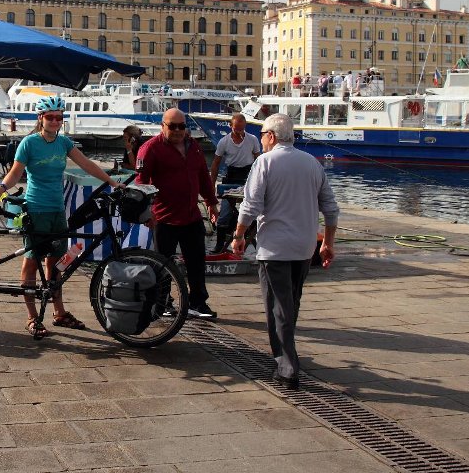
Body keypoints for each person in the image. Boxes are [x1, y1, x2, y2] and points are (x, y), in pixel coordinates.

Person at [0, 96, 118, 338]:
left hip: (58, 211)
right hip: (36, 210)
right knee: (32, 260)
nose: (55, 121)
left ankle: (59, 313)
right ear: (41, 119)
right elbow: (16, 173)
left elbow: (87, 164)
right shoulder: (29, 143)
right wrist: (1, 189)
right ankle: (32, 317)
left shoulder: (64, 143)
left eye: (59, 117)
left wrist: (111, 182)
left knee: (57, 262)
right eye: (51, 117)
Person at [232, 113, 338, 390]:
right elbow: (330, 207)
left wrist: (239, 235)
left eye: (263, 134)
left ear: (271, 136)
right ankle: (284, 353)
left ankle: (287, 365)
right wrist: (327, 242)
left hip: (274, 248)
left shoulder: (264, 162)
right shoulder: (312, 164)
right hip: (304, 248)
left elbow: (251, 204)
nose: (262, 140)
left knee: (277, 306)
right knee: (291, 303)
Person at [135, 108, 221, 320]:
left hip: (192, 216)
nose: (177, 130)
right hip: (164, 218)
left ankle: (198, 303)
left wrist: (211, 202)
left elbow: (203, 176)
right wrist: (146, 213)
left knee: (197, 263)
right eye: (172, 126)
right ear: (162, 126)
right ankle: (162, 303)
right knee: (163, 264)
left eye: (181, 126)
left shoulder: (194, 147)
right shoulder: (150, 149)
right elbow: (141, 184)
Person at [209, 113, 261, 187]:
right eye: (236, 129)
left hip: (248, 172)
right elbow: (216, 163)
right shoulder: (223, 141)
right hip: (231, 173)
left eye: (241, 129)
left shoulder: (253, 139)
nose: (239, 132)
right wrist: (212, 185)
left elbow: (258, 159)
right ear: (230, 125)